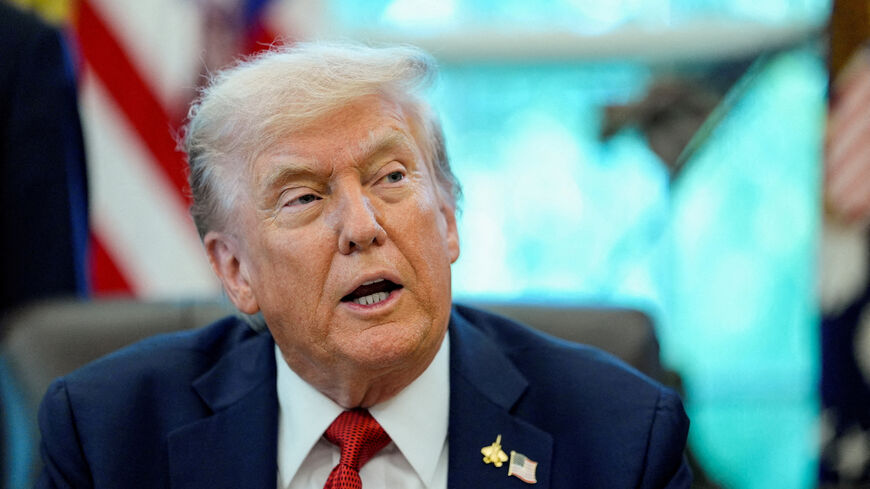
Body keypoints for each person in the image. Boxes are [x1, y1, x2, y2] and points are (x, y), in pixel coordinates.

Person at [34, 42, 691, 489]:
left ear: (449, 216)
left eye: (391, 176)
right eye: (304, 197)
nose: (362, 226)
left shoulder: (621, 437)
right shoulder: (108, 435)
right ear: (235, 270)